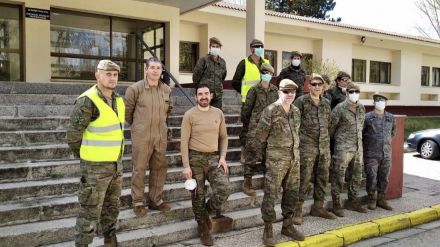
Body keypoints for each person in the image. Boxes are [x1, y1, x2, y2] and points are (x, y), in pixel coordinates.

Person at [66, 60, 124, 247]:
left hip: (115, 166)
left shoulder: (118, 100)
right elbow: (73, 136)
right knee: (89, 214)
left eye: (115, 75)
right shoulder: (87, 100)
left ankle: (110, 241)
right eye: (108, 74)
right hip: (94, 169)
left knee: (112, 209)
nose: (112, 78)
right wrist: (87, 157)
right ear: (97, 75)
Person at [181, 84, 232, 246]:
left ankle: (205, 212)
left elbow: (224, 137)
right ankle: (203, 228)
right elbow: (183, 142)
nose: (203, 96)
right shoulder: (189, 115)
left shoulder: (218, 113)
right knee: (198, 194)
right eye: (200, 94)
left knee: (225, 188)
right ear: (196, 97)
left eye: (206, 94)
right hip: (195, 158)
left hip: (213, 158)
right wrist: (186, 165)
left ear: (211, 95)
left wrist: (222, 157)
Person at [257, 79, 305, 246]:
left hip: (294, 160)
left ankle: (287, 225)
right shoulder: (270, 111)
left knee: (292, 193)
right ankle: (268, 228)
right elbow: (261, 138)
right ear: (279, 92)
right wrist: (265, 160)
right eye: (286, 91)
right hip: (275, 161)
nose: (289, 94)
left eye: (292, 91)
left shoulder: (297, 111)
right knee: (271, 194)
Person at [125, 57, 173, 216]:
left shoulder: (166, 90)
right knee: (139, 169)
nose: (155, 71)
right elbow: (128, 113)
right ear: (146, 69)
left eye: (158, 68)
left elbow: (169, 111)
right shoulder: (135, 89)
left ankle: (155, 199)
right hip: (142, 136)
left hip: (160, 136)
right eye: (152, 67)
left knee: (159, 168)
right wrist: (138, 127)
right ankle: (138, 201)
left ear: (161, 71)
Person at [293, 73, 335, 224]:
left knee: (323, 178)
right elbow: (294, 124)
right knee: (304, 179)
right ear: (309, 86)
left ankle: (318, 207)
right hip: (307, 148)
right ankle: (297, 210)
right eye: (314, 84)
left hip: (324, 148)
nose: (317, 87)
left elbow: (329, 124)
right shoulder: (301, 102)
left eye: (320, 84)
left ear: (323, 87)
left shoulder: (326, 103)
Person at [329, 82, 367, 217]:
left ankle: (353, 201)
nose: (354, 94)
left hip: (358, 147)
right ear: (346, 93)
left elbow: (362, 126)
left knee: (357, 176)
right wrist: (339, 142)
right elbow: (331, 128)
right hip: (343, 148)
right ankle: (336, 204)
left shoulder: (362, 108)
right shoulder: (339, 108)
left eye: (356, 92)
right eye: (351, 92)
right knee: (339, 176)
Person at [241, 63, 279, 196]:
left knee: (268, 155)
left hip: (271, 127)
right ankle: (247, 183)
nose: (266, 75)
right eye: (264, 72)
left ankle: (267, 183)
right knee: (251, 154)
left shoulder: (275, 91)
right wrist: (249, 126)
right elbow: (246, 110)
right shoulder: (254, 90)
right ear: (261, 74)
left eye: (268, 73)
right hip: (256, 127)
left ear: (272, 75)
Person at [231, 38, 269, 165]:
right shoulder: (244, 63)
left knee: (263, 128)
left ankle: (259, 155)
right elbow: (235, 82)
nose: (259, 49)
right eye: (257, 46)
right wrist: (245, 93)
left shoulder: (266, 63)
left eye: (261, 46)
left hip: (263, 102)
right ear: (251, 48)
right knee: (247, 128)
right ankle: (244, 154)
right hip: (248, 103)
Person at [363, 93, 396, 211]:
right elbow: (362, 134)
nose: (380, 103)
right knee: (372, 177)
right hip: (371, 154)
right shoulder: (367, 117)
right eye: (378, 101)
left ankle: (381, 199)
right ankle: (371, 199)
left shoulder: (390, 117)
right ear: (374, 103)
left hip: (386, 154)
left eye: (383, 101)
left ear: (386, 103)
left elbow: (392, 132)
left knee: (384, 177)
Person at [192, 37, 227, 110]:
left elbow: (223, 76)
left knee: (216, 116)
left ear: (220, 48)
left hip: (217, 95)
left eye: (217, 47)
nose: (215, 48)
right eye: (213, 46)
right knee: (203, 115)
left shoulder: (222, 62)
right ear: (210, 47)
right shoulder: (204, 60)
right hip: (205, 95)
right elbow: (196, 77)